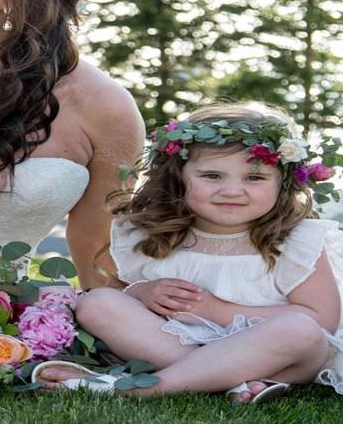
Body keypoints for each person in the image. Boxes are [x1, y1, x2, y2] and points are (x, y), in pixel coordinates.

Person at [34, 103, 343, 404]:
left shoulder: (297, 239)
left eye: (255, 178)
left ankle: (147, 388)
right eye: (212, 176)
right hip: (176, 342)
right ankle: (227, 381)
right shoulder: (154, 233)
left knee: (300, 330)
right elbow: (124, 294)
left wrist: (215, 310)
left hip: (273, 348)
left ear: (283, 182)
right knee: (97, 303)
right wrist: (144, 293)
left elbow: (321, 321)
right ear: (179, 176)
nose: (232, 191)